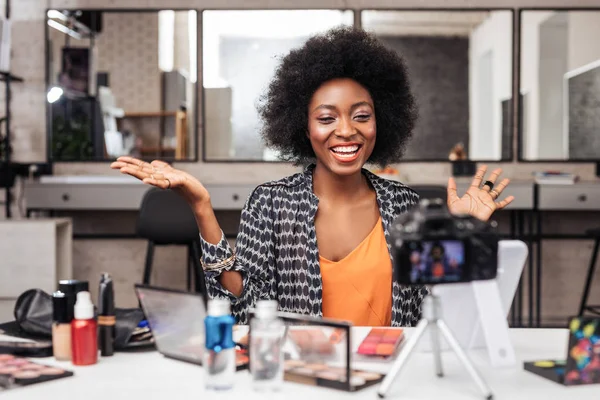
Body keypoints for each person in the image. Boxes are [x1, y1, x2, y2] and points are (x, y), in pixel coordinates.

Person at [111, 27, 514, 327]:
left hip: (391, 376)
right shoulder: (270, 203)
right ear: (304, 128)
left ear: (381, 122)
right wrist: (201, 207)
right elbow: (245, 307)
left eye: (361, 115)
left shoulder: (404, 205)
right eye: (326, 118)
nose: (346, 131)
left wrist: (465, 233)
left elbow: (436, 313)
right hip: (301, 376)